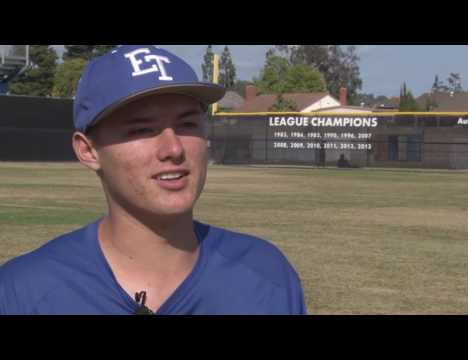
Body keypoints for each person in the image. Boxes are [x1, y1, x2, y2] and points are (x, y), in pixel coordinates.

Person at [0, 45, 307, 315]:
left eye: (187, 124)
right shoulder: (23, 293)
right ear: (88, 150)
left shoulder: (267, 276)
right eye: (141, 130)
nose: (173, 149)